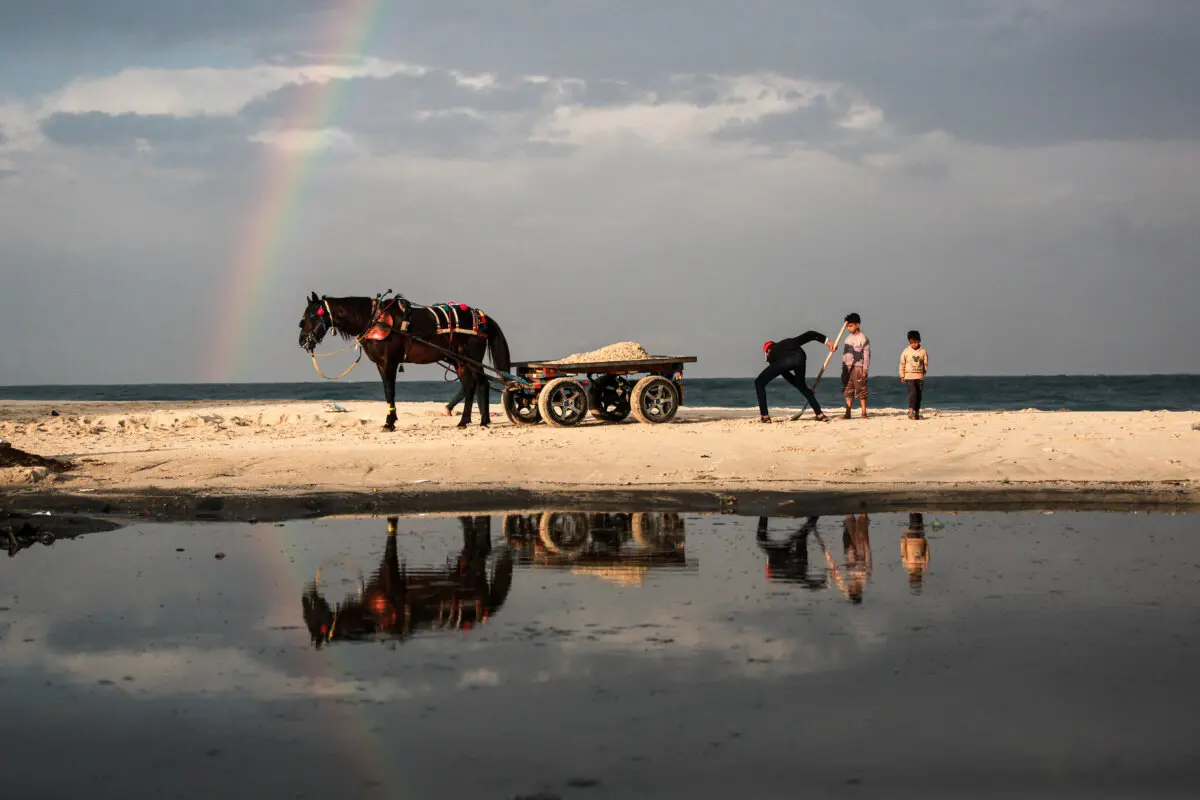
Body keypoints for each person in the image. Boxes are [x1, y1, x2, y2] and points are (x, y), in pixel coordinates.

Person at [755, 331, 837, 423]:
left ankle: (765, 416)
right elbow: (810, 335)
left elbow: (787, 375)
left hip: (786, 362)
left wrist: (799, 385)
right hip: (800, 357)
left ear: (767, 351)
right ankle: (820, 415)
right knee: (802, 386)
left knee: (758, 382)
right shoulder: (788, 342)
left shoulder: (771, 355)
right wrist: (828, 342)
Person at [840, 312, 870, 419]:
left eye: (851, 326)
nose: (849, 328)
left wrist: (865, 369)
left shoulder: (863, 338)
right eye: (848, 326)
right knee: (848, 390)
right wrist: (844, 368)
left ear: (857, 325)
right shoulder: (847, 339)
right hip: (847, 367)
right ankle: (848, 412)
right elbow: (845, 354)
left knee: (861, 389)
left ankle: (863, 412)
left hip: (858, 367)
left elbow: (866, 355)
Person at [899, 330, 929, 420]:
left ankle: (916, 412)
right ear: (909, 342)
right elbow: (902, 363)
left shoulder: (923, 351)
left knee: (919, 395)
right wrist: (902, 375)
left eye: (915, 342)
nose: (914, 344)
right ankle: (911, 411)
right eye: (911, 342)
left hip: (919, 377)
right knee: (913, 392)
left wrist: (923, 373)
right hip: (909, 377)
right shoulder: (906, 351)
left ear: (919, 341)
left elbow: (925, 363)